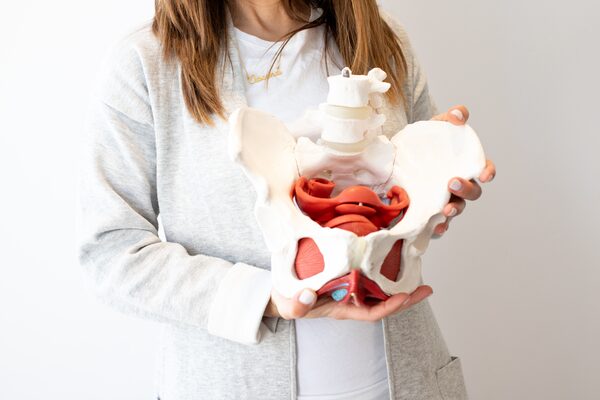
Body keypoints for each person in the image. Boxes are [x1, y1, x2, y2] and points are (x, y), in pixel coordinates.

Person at [78, 1, 496, 399]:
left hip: (404, 383)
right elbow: (111, 251)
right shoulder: (145, 64)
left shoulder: (381, 38)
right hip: (226, 383)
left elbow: (412, 218)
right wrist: (267, 297)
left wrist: (441, 183)